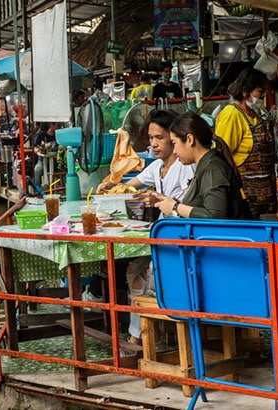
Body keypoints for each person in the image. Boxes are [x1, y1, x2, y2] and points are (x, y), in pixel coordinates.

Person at [94, 110, 194, 345]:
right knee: (132, 269)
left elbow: (186, 208)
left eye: (159, 137)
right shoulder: (157, 167)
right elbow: (129, 184)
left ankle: (137, 338)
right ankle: (149, 332)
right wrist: (108, 185)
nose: (153, 144)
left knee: (137, 278)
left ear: (173, 137)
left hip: (176, 241)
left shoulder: (185, 167)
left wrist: (157, 199)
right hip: (159, 238)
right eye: (150, 138)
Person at [155, 111, 252, 220]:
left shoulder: (213, 169)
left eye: (174, 143)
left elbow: (215, 216)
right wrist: (172, 203)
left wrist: (176, 207)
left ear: (190, 140)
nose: (174, 151)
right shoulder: (205, 164)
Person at [214, 67, 275, 217]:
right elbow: (221, 154)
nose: (263, 96)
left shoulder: (255, 115)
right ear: (245, 91)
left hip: (266, 196)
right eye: (260, 92)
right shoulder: (231, 114)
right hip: (244, 197)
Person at [33, 122, 60, 186]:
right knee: (37, 170)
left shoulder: (58, 136)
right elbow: (35, 148)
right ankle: (38, 190)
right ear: (51, 125)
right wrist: (38, 151)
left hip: (56, 161)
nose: (59, 128)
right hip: (42, 160)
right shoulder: (41, 135)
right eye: (58, 125)